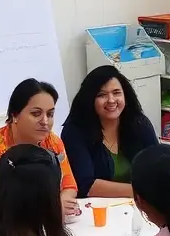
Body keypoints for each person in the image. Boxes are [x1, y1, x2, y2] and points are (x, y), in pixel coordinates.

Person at [0, 79, 79, 218]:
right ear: (15, 115)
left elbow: (69, 185)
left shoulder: (52, 142)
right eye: (36, 114)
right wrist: (51, 207)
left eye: (50, 114)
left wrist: (62, 201)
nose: (45, 122)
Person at [61, 66, 158, 198]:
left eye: (117, 93)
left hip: (135, 205)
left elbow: (158, 164)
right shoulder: (74, 131)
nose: (111, 100)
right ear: (90, 99)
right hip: (96, 207)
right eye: (102, 95)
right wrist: (137, 192)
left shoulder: (139, 122)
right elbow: (85, 184)